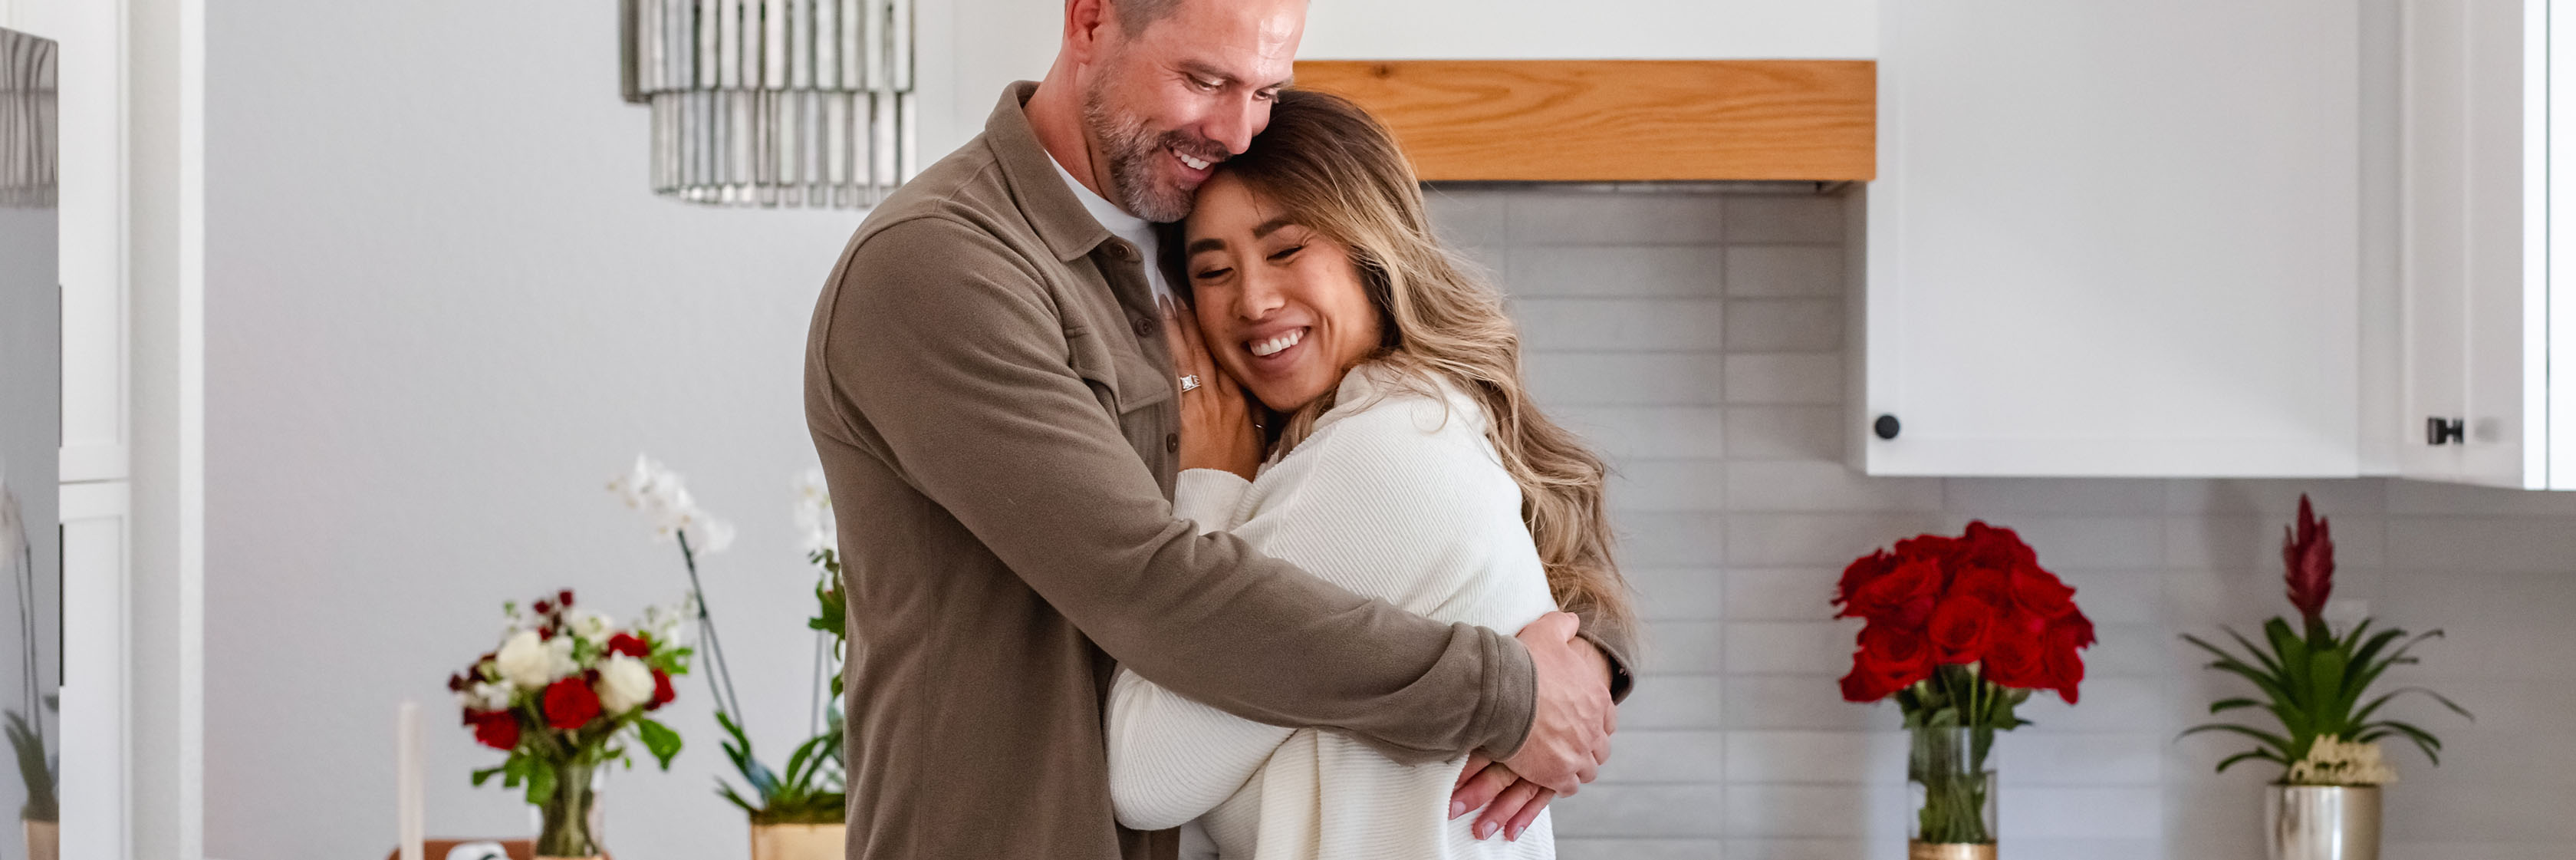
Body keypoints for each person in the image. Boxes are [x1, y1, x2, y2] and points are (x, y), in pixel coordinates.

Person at [801, 0, 1634, 857]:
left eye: (1267, 90)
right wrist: (1506, 691)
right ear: (1089, 22)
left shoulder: (1190, 216)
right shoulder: (944, 265)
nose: (1238, 131)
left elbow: (1416, 501)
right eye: (1204, 80)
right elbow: (1154, 580)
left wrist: (1577, 653)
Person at [1104, 89, 1634, 859]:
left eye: (1286, 249)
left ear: (1370, 247)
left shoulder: (1380, 452)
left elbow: (1145, 769)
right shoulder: (1401, 421)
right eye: (1213, 271)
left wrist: (1208, 485)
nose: (1252, 300)